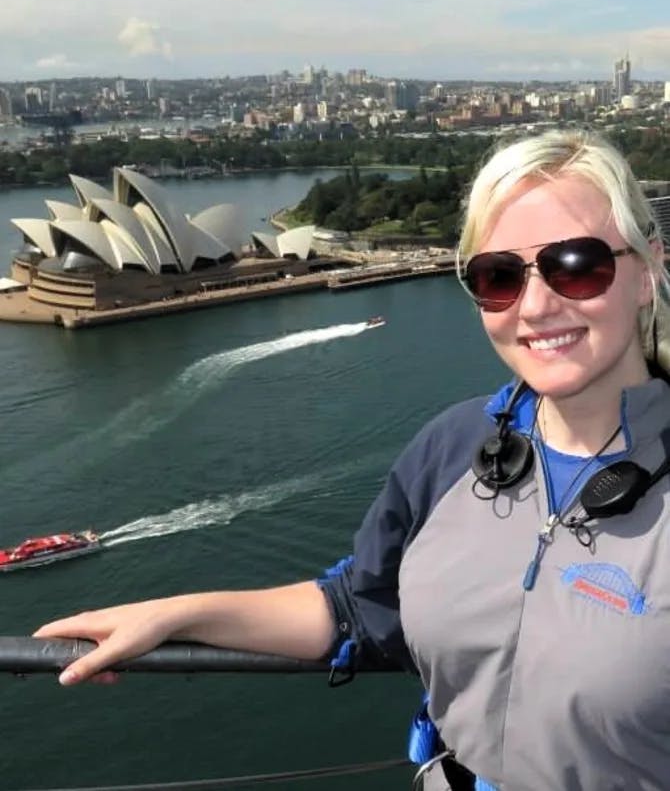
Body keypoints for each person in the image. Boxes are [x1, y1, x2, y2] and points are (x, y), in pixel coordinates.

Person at [35, 130, 670, 791]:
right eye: (499, 276)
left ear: (648, 270)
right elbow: (361, 603)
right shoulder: (455, 447)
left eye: (578, 264)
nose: (537, 306)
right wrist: (177, 614)